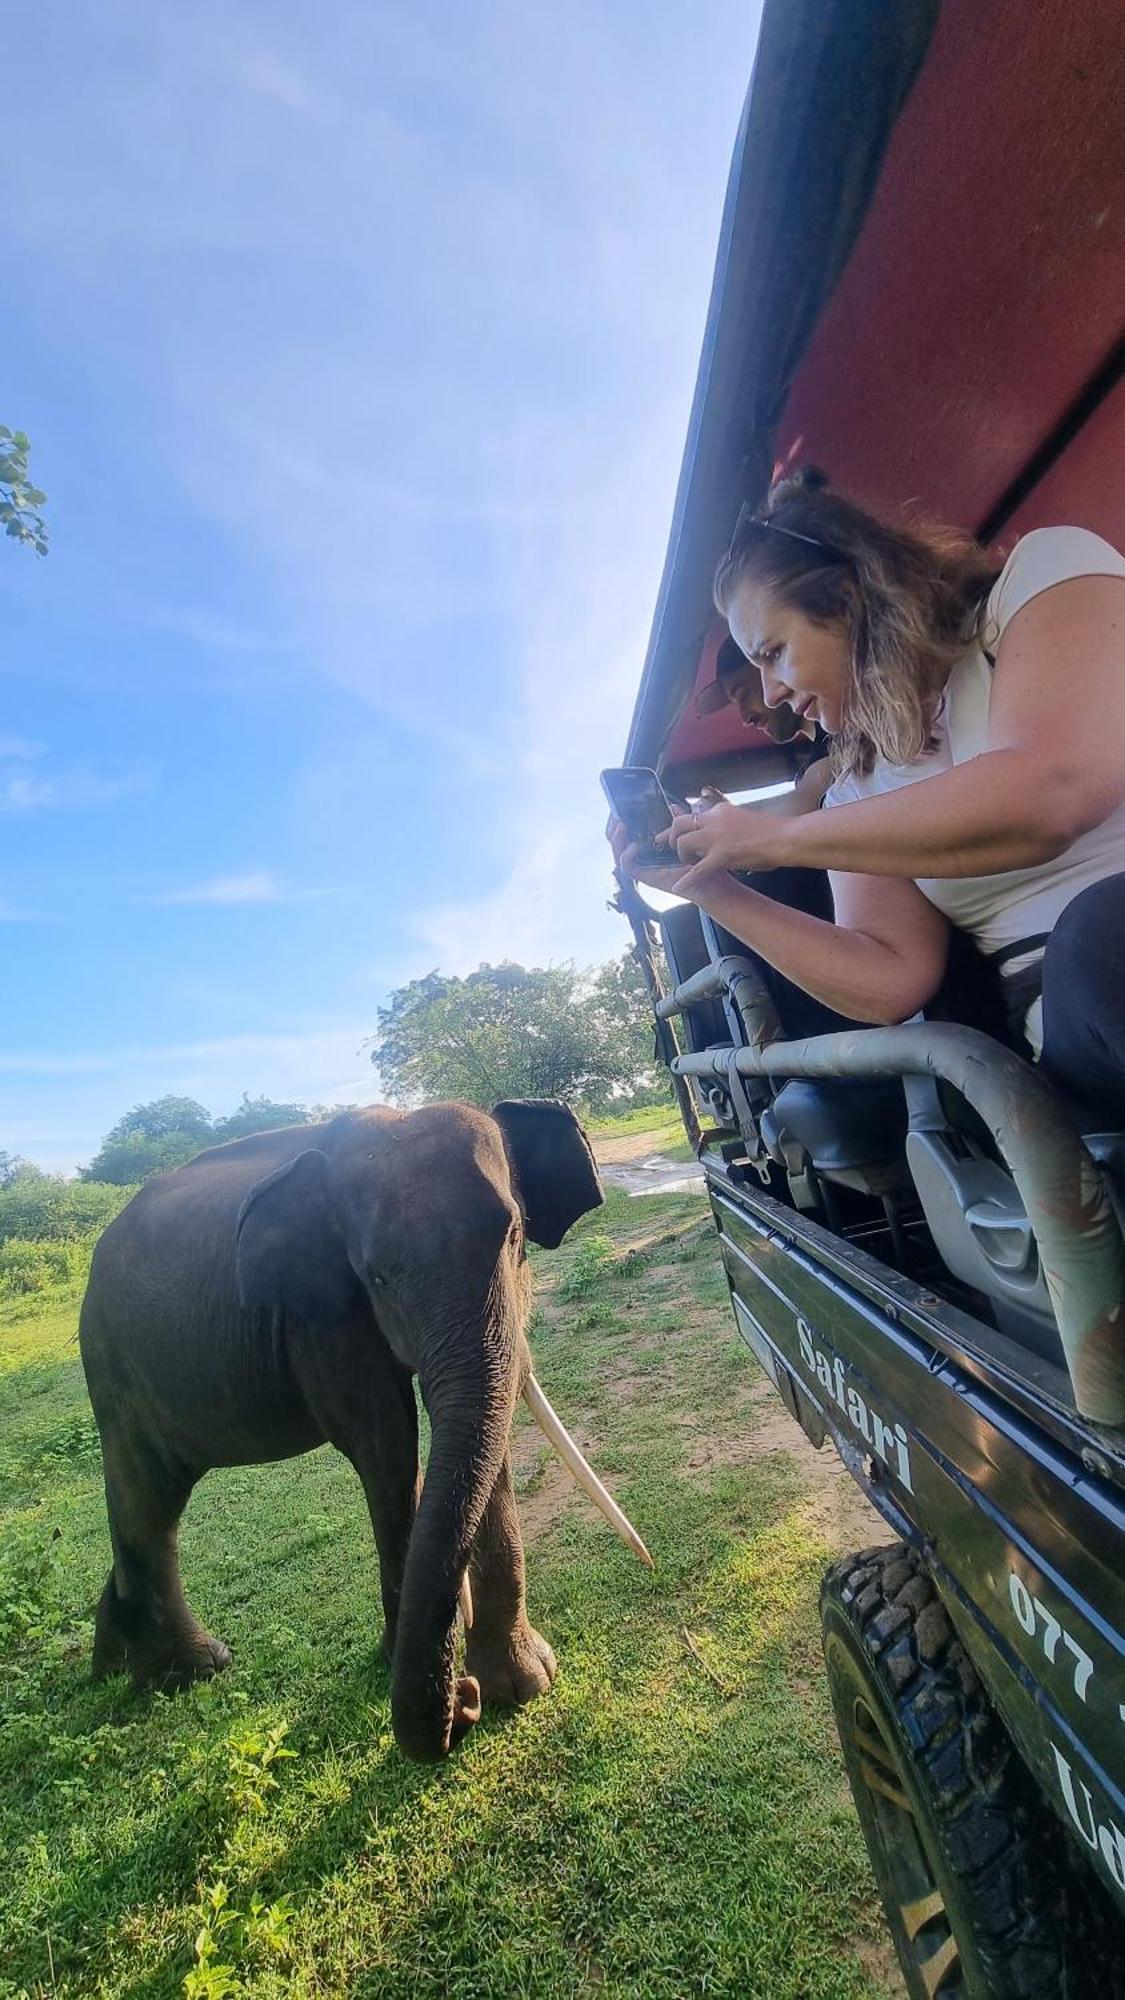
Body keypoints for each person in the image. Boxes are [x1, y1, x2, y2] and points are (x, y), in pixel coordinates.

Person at [620, 469, 1125, 1130]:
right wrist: (711, 886)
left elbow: (1054, 790)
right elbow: (889, 980)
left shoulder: (1041, 574)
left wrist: (768, 839)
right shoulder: (857, 787)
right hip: (1074, 1017)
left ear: (849, 596)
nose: (769, 691)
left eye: (772, 652)